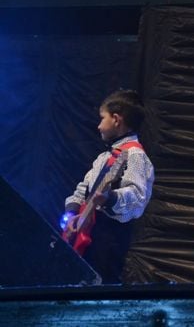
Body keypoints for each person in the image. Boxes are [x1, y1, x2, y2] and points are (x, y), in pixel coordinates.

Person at [62, 89, 154, 284]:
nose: (98, 126)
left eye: (102, 118)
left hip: (108, 242)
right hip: (86, 235)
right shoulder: (104, 157)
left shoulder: (136, 156)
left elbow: (137, 198)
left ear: (116, 119)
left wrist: (110, 198)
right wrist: (72, 214)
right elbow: (83, 188)